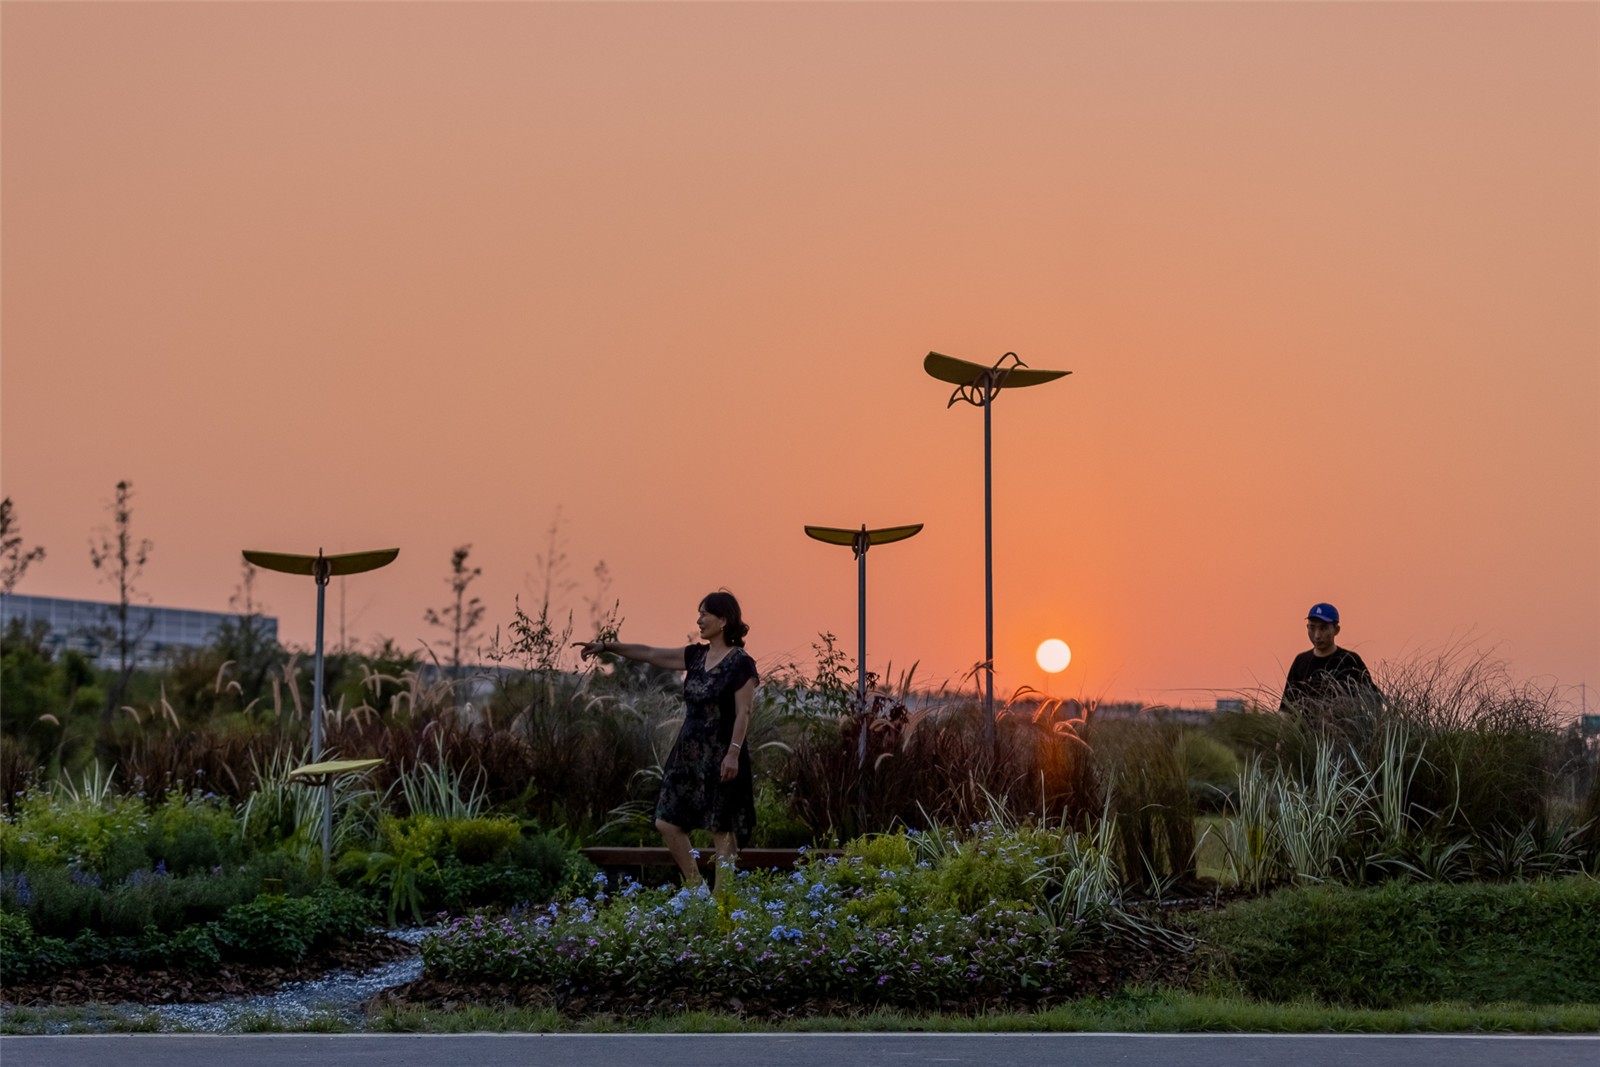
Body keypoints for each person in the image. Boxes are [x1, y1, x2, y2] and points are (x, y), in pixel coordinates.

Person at [575, 591, 757, 889]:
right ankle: (697, 891)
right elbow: (649, 653)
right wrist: (607, 646)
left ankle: (724, 903)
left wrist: (733, 753)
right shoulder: (695, 656)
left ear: (723, 620)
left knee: (721, 829)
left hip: (722, 754)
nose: (699, 620)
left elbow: (744, 712)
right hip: (687, 753)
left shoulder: (741, 663)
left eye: (705, 614)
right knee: (666, 821)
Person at [1279, 602, 1381, 717]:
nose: (1317, 635)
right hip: (1308, 728)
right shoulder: (1301, 662)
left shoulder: (1350, 660)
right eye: (1312, 628)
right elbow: (1286, 710)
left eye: (1323, 628)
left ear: (1336, 630)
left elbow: (1374, 700)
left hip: (1346, 727)